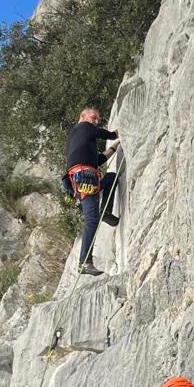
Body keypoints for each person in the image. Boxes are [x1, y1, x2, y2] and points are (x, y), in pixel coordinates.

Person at [64, 107, 119, 276]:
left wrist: (115, 147)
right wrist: (117, 134)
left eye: (97, 119)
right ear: (82, 116)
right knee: (91, 220)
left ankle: (106, 211)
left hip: (87, 180)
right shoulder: (83, 127)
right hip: (83, 179)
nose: (95, 121)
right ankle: (84, 263)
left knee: (111, 177)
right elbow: (105, 134)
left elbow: (98, 160)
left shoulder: (82, 141)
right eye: (93, 117)